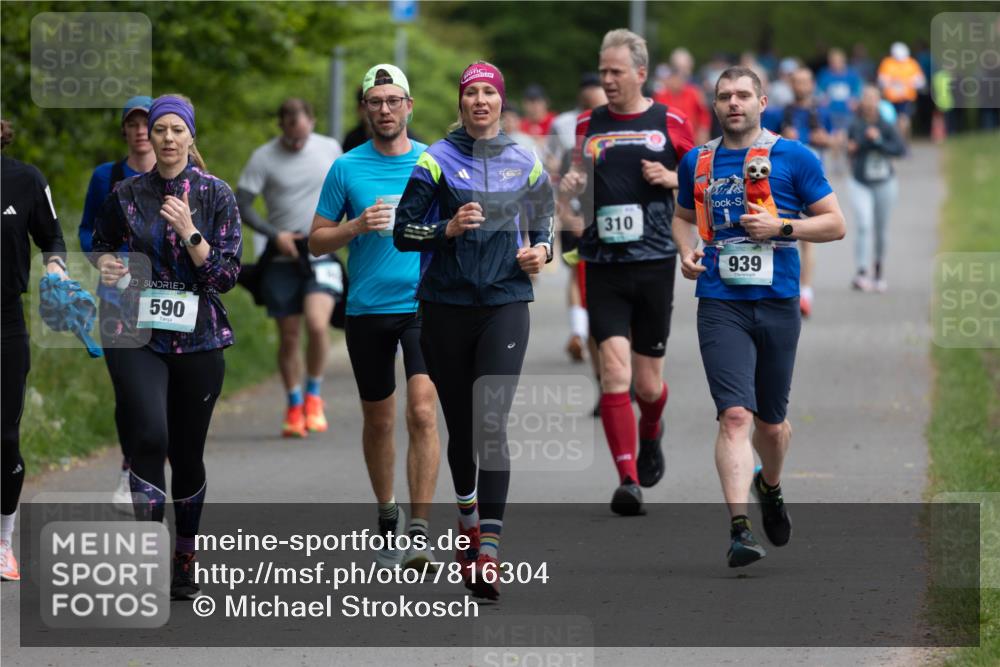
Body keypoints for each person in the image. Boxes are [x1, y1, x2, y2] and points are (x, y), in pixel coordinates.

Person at [393, 61, 554, 600]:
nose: (480, 100)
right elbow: (402, 232)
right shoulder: (435, 160)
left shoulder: (524, 159)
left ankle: (488, 550)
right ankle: (466, 519)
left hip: (506, 302)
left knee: (492, 423)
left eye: (489, 92)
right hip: (446, 307)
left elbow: (545, 219)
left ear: (501, 101)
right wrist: (447, 227)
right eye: (471, 93)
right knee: (461, 428)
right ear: (460, 103)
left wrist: (541, 250)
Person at [672, 67, 846, 567]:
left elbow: (835, 223)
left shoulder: (794, 156)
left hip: (777, 302)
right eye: (725, 96)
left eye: (743, 95)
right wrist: (686, 252)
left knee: (771, 426)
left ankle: (769, 484)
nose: (734, 103)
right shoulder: (697, 161)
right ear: (714, 104)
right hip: (720, 302)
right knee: (734, 416)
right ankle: (740, 530)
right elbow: (682, 219)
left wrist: (782, 227)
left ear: (762, 102)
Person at [92, 94, 242, 599]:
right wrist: (106, 264)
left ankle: (185, 554)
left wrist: (190, 233)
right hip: (137, 334)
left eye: (178, 129)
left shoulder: (216, 194)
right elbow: (102, 243)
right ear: (150, 138)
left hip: (199, 338)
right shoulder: (127, 193)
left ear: (190, 136)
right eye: (161, 130)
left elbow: (225, 277)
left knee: (186, 452)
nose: (169, 138)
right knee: (150, 436)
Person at [308, 64, 441, 571]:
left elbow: (456, 225)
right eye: (376, 102)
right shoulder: (346, 168)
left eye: (393, 100)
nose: (385, 110)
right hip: (368, 308)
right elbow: (316, 241)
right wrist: (356, 226)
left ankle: (420, 530)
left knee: (422, 411)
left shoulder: (433, 161)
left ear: (408, 106)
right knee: (380, 421)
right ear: (365, 109)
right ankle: (388, 514)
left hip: (424, 305)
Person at [560, 28, 694, 515]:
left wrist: (671, 177)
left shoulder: (670, 121)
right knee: (614, 372)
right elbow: (580, 188)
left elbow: (700, 183)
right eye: (603, 71)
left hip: (654, 262)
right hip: (603, 264)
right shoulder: (587, 124)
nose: (608, 80)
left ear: (641, 73)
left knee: (647, 386)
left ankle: (651, 430)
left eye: (616, 71)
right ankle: (628, 479)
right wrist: (571, 187)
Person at [236, 99, 343, 438]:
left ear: (312, 122)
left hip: (320, 251)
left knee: (317, 323)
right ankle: (294, 403)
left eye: (302, 135)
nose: (297, 142)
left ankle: (314, 395)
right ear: (281, 125)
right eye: (290, 135)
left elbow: (348, 189)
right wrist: (274, 234)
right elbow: (242, 204)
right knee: (290, 335)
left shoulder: (330, 149)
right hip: (282, 255)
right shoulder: (263, 157)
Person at [78, 95, 156, 509]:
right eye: (134, 124)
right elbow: (87, 230)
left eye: (148, 123)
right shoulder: (106, 177)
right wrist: (103, 257)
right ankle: (130, 470)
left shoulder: (179, 174)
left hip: (164, 298)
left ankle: (162, 464)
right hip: (116, 297)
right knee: (127, 389)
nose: (141, 131)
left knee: (164, 389)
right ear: (124, 130)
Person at [1, 119, 69, 582]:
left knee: (4, 438)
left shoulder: (25, 179)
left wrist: (56, 266)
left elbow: (52, 237)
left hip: (4, 323)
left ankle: (3, 541)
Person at [765, 67, 834, 319]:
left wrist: (824, 139)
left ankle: (805, 292)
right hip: (786, 180)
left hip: (813, 181)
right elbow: (765, 141)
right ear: (791, 85)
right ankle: (783, 288)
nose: (801, 86)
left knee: (807, 237)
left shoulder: (822, 112)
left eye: (805, 81)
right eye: (797, 82)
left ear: (812, 84)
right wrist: (783, 137)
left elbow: (834, 141)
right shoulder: (780, 114)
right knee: (783, 231)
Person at [547, 74, 607, 366]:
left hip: (604, 212)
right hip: (576, 210)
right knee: (578, 271)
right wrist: (566, 213)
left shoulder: (619, 127)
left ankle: (582, 331)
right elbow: (552, 164)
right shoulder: (563, 125)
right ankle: (582, 332)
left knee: (582, 274)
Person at [846, 85, 906, 292]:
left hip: (885, 182)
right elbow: (851, 148)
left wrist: (878, 140)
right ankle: (862, 272)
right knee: (864, 224)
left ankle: (878, 272)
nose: (870, 102)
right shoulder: (855, 124)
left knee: (881, 229)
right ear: (862, 101)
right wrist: (862, 141)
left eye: (873, 98)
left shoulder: (886, 125)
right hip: (860, 181)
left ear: (879, 101)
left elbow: (900, 150)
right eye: (866, 97)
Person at [653, 48, 712, 145]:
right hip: (668, 139)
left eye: (680, 77)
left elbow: (704, 114)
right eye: (674, 77)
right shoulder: (661, 95)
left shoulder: (693, 92)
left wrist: (703, 130)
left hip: (692, 139)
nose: (677, 81)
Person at [877, 42, 925, 141]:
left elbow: (921, 82)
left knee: (904, 120)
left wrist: (909, 82)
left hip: (906, 99)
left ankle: (903, 141)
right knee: (891, 121)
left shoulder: (911, 63)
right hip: (891, 99)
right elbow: (881, 81)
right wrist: (892, 82)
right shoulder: (887, 63)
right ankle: (895, 140)